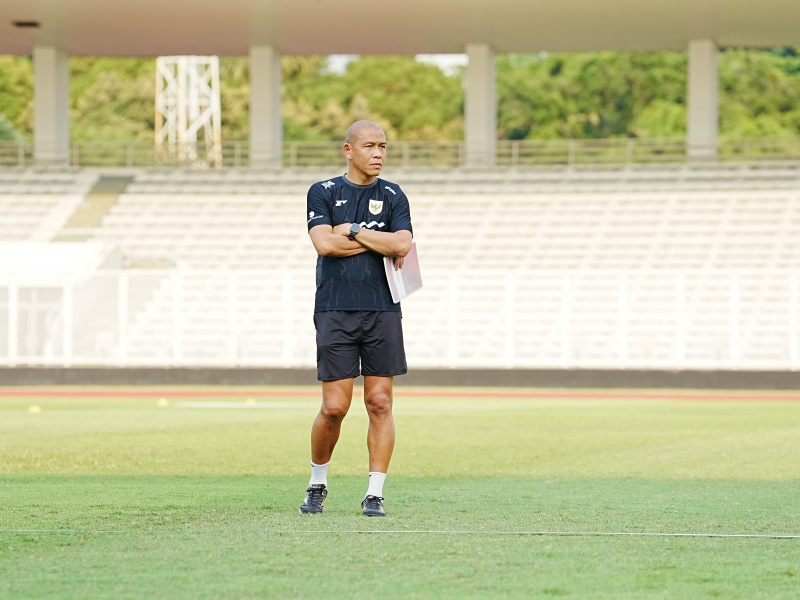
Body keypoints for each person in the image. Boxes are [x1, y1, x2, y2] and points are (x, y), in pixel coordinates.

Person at [301, 120, 413, 517]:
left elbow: (403, 243)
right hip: (335, 308)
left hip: (383, 309)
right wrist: (378, 242)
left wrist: (351, 230)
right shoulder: (323, 191)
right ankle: (317, 482)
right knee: (335, 407)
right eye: (370, 146)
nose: (378, 153)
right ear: (349, 150)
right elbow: (324, 244)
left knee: (380, 402)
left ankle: (375, 493)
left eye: (383, 146)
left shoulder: (394, 195)